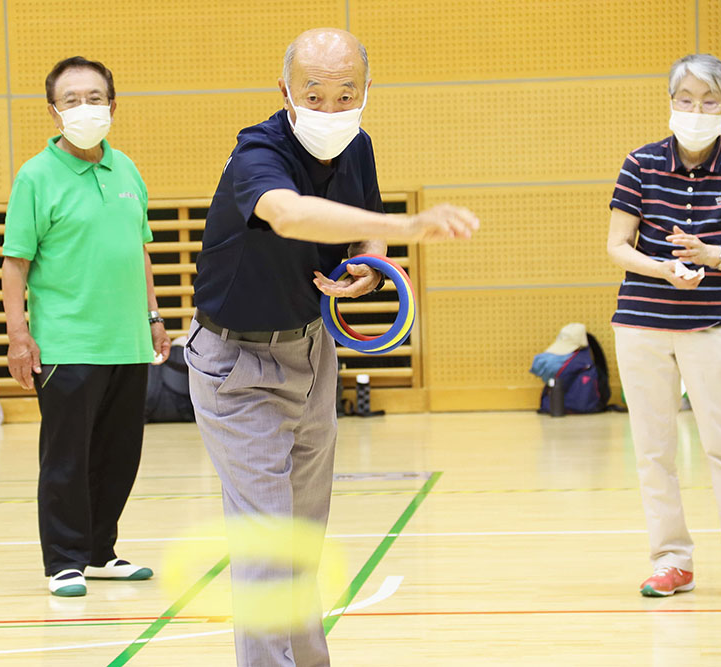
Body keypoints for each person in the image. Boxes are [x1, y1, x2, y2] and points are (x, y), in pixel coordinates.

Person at [185, 28, 478, 666]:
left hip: (312, 354)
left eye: (347, 94)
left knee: (302, 539)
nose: (331, 109)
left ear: (369, 91)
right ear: (285, 92)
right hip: (237, 365)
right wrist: (403, 227)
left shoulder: (357, 146)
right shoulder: (257, 151)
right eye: (314, 95)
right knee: (268, 545)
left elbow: (359, 235)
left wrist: (370, 264)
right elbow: (289, 215)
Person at [607, 54, 721, 599]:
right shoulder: (640, 163)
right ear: (671, 101)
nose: (695, 110)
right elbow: (617, 247)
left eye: (708, 101)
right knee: (652, 451)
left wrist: (711, 255)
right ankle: (671, 560)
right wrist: (665, 268)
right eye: (686, 99)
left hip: (716, 327)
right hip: (642, 325)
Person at [2, 56, 170, 597]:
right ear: (54, 112)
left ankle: (101, 551)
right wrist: (18, 335)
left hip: (127, 340)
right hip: (68, 343)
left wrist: (153, 317)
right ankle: (64, 561)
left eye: (94, 97)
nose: (84, 107)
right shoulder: (35, 176)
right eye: (71, 100)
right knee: (67, 458)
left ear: (113, 105)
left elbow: (138, 251)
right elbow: (15, 262)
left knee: (119, 455)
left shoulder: (127, 170)